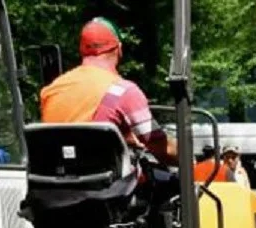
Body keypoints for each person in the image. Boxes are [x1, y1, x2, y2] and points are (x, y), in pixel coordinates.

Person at [40, 18, 177, 165]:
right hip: (104, 184)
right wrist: (190, 160)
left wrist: (120, 137)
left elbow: (73, 137)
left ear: (82, 50)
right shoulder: (124, 91)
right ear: (119, 48)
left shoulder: (51, 89)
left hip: (54, 182)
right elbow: (163, 148)